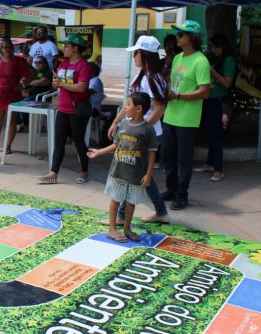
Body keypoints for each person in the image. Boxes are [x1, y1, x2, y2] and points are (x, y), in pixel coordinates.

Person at [106, 36, 170, 224]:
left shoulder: (153, 78)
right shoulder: (141, 75)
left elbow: (159, 108)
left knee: (131, 174)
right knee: (140, 174)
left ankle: (121, 216)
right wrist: (116, 122)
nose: (134, 56)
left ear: (144, 54)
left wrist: (142, 130)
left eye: (136, 53)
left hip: (144, 136)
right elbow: (128, 105)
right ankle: (161, 212)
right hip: (135, 133)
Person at [87, 92, 158, 242]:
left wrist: (148, 174)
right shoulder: (124, 124)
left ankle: (127, 228)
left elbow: (152, 153)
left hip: (135, 174)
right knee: (116, 199)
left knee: (130, 202)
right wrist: (99, 152)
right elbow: (116, 145)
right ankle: (112, 229)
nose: (125, 108)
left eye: (128, 105)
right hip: (117, 172)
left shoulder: (147, 129)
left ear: (138, 109)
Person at [161, 21, 211, 210]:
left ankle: (182, 194)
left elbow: (205, 92)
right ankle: (171, 189)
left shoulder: (200, 61)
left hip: (187, 118)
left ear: (192, 38)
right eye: (178, 34)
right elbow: (175, 83)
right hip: (171, 114)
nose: (177, 37)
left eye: (181, 34)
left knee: (184, 158)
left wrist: (179, 96)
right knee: (167, 155)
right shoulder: (178, 58)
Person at [36, 33, 92, 184]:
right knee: (59, 140)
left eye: (67, 46)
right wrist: (56, 82)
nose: (64, 48)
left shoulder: (84, 65)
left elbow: (81, 87)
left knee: (79, 140)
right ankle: (53, 172)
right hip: (63, 108)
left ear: (75, 48)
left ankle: (84, 172)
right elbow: (56, 84)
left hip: (77, 109)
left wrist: (62, 85)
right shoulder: (63, 64)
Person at [194, 33, 237, 182]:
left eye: (214, 47)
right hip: (208, 98)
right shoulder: (214, 58)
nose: (212, 50)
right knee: (210, 132)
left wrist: (213, 71)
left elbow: (227, 83)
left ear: (222, 47)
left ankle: (219, 169)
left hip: (218, 100)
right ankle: (210, 163)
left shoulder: (228, 60)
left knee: (215, 134)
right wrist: (207, 53)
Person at [0, 38, 32, 154]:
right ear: (0, 49)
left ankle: (8, 146)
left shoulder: (18, 61)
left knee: (12, 121)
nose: (6, 49)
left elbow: (31, 74)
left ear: (12, 48)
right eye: (4, 47)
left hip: (13, 95)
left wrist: (23, 85)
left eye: (8, 47)